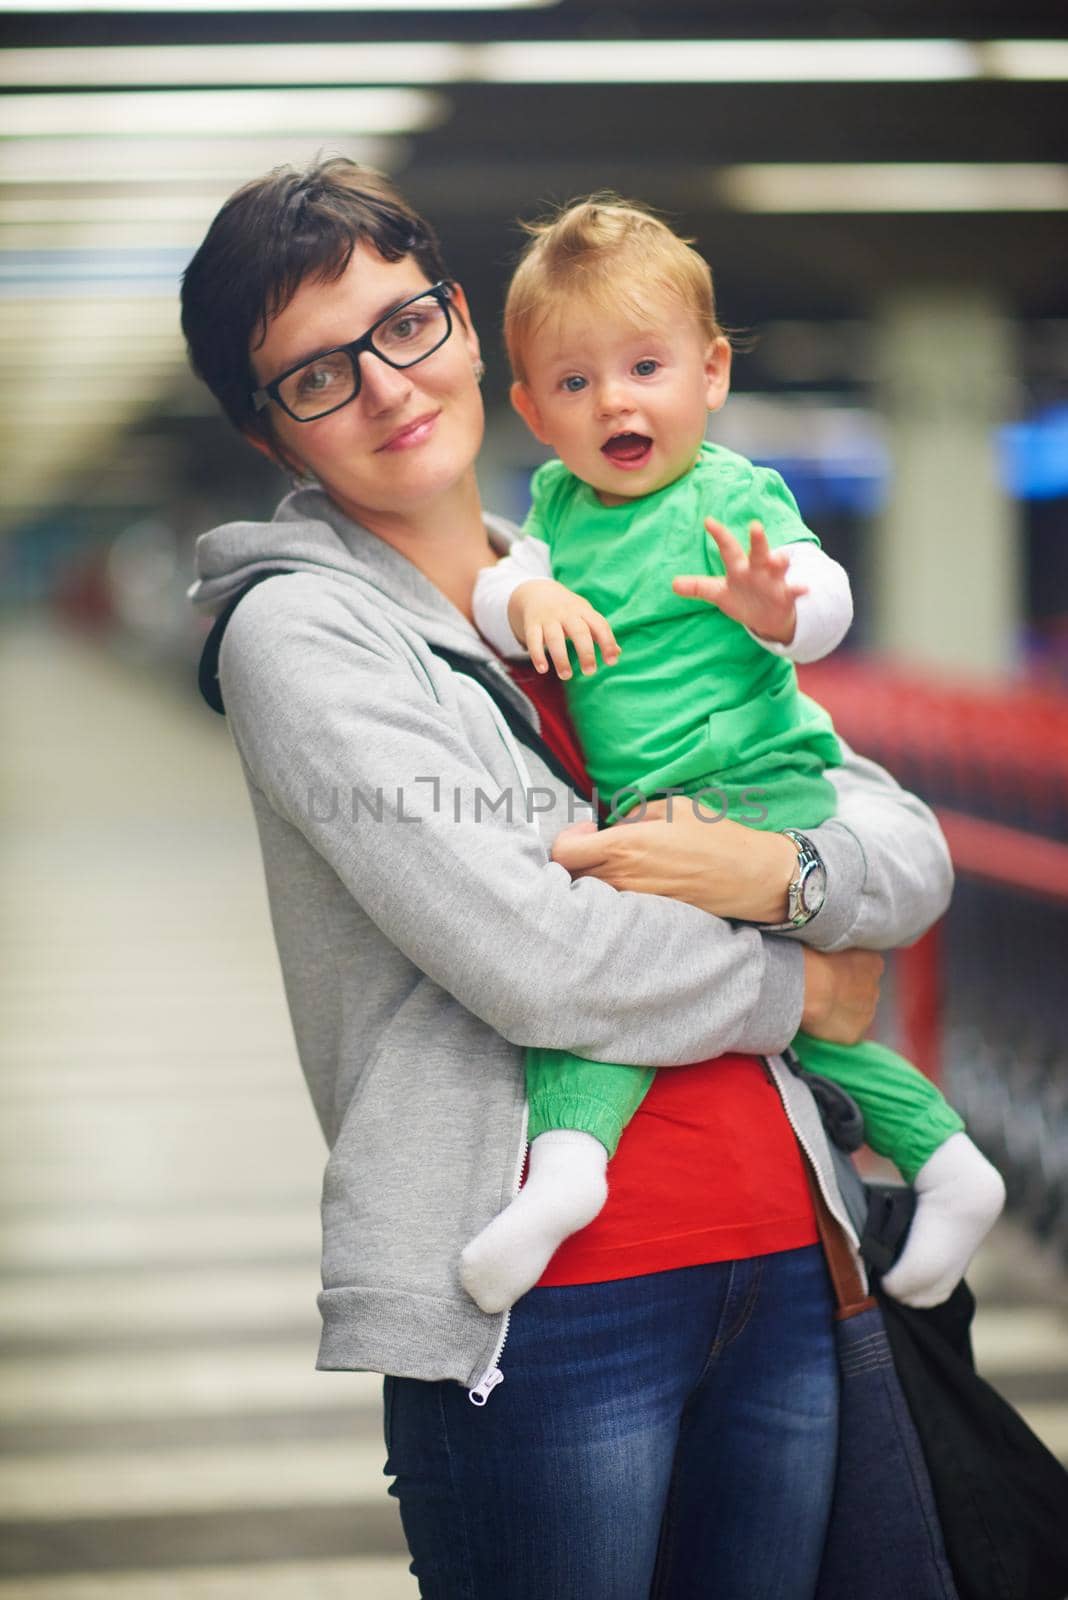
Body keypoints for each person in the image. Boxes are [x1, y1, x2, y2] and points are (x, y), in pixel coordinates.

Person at [182, 158, 957, 1600]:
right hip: (544, 1310)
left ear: (468, 328)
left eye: (403, 328)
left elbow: (902, 844)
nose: (386, 387)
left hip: (786, 1250)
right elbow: (533, 954)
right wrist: (810, 969)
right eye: (315, 377)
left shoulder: (619, 551)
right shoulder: (304, 642)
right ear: (271, 437)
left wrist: (776, 869)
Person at [465, 195, 1005, 1319]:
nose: (614, 398)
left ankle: (567, 1163)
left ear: (709, 375)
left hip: (758, 790)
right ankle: (950, 1166)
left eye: (645, 366)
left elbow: (827, 602)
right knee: (780, 1015)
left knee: (625, 984)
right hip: (658, 806)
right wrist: (530, 592)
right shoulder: (555, 508)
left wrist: (777, 607)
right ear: (532, 411)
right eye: (574, 383)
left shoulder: (732, 492)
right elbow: (490, 586)